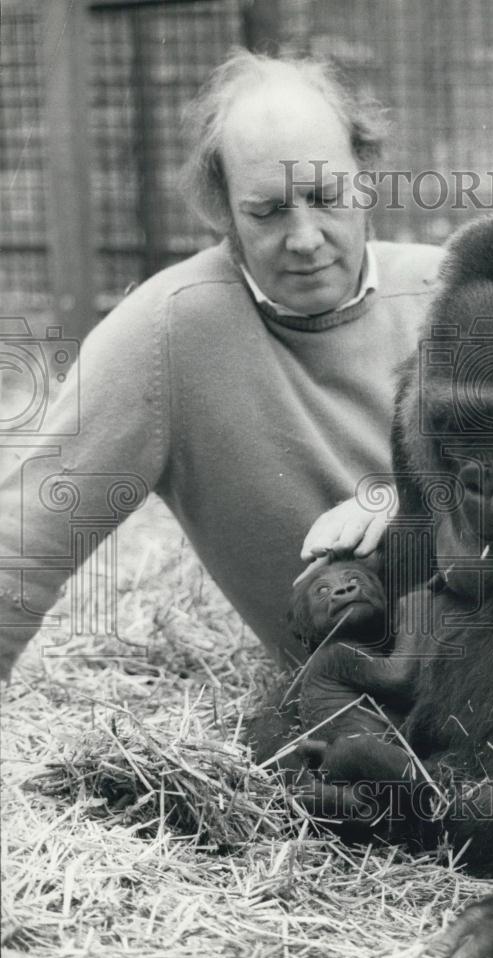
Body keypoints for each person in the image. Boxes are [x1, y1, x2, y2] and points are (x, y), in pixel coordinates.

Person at [0, 50, 443, 679]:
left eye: (326, 196)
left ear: (366, 174)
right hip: (364, 717)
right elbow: (23, 543)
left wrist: (417, 501)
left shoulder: (448, 292)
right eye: (268, 211)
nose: (306, 238)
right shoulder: (168, 332)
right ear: (221, 209)